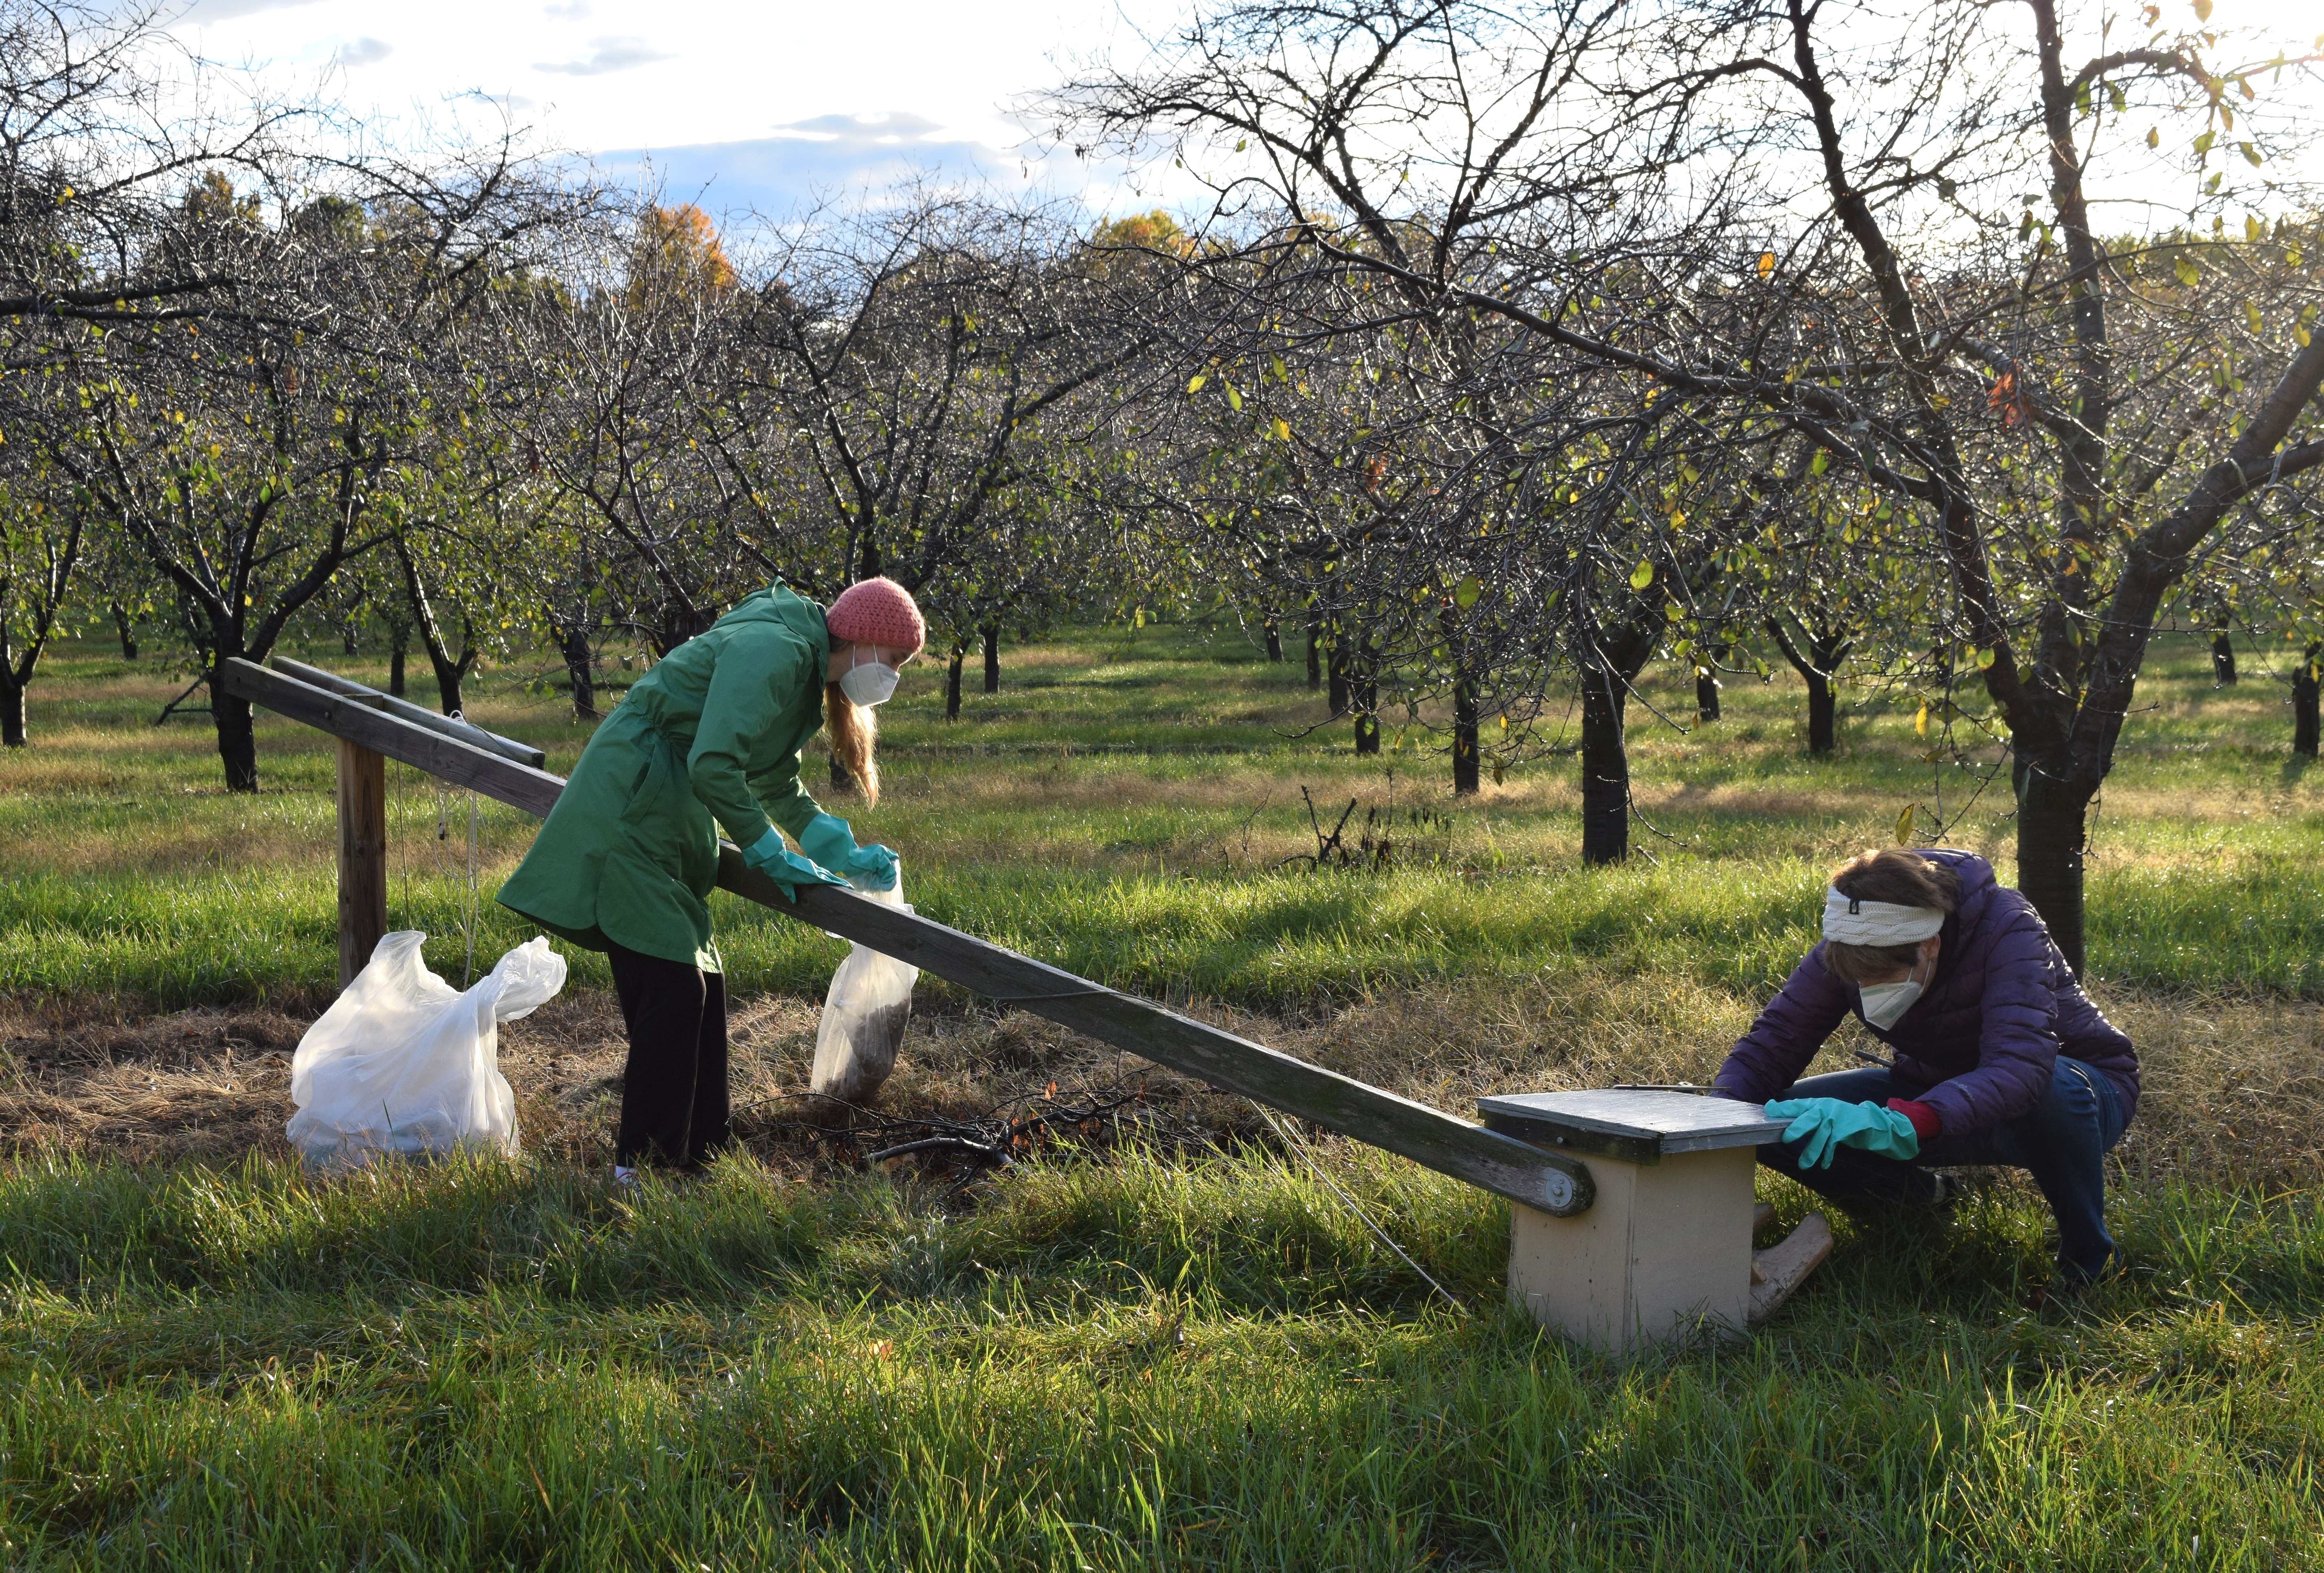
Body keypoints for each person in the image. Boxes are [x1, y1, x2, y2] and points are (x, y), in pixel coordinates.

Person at [498, 577, 926, 1180]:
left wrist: (842, 850)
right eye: (895, 660)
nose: (893, 677)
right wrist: (767, 850)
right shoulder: (776, 651)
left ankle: (704, 1161)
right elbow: (715, 763)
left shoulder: (803, 674)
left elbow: (775, 780)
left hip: (667, 809)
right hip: (633, 802)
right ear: (860, 638)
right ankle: (640, 1173)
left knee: (702, 988)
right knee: (673, 992)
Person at [1713, 846, 2139, 1283]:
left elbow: (2021, 1066)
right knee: (1770, 1121)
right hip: (1936, 1090)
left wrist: (1908, 1121)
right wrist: (1716, 1116)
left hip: (2075, 1093)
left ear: (1929, 945)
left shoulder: (2007, 925)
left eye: (1881, 978)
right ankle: (1916, 1206)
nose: (1866, 988)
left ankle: (2088, 1261)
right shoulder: (1850, 938)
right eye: (1858, 980)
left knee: (2052, 1089)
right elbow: (1775, 1039)